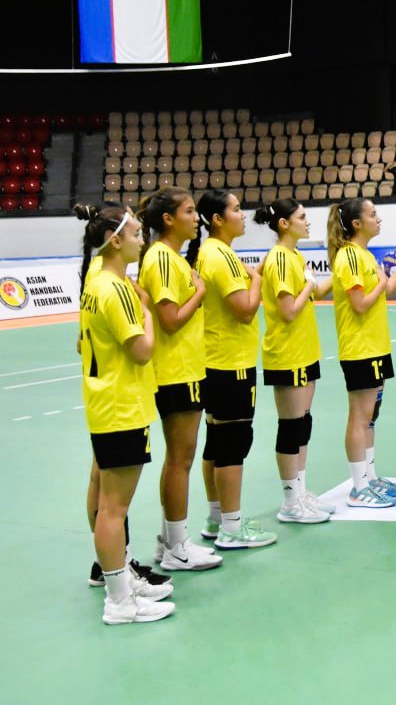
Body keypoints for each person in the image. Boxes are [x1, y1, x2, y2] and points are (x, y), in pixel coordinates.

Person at [76, 204, 176, 624]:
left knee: (105, 497)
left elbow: (81, 344)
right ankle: (119, 601)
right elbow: (142, 350)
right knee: (114, 508)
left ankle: (120, 579)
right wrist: (147, 312)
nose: (142, 239)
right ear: (114, 240)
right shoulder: (115, 290)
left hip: (106, 403)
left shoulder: (95, 280)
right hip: (121, 406)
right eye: (135, 233)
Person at [137, 188, 223, 571]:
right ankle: (177, 547)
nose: (195, 218)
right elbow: (170, 320)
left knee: (179, 459)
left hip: (186, 368)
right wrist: (200, 291)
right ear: (168, 219)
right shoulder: (161, 259)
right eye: (188, 211)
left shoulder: (169, 257)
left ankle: (170, 541)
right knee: (180, 459)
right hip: (176, 371)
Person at [193, 190, 276, 550]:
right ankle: (231, 526)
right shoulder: (220, 256)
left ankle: (217, 519)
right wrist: (257, 280)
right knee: (233, 445)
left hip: (214, 360)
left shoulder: (210, 252)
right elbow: (244, 309)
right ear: (217, 219)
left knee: (216, 443)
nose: (243, 215)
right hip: (230, 363)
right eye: (237, 209)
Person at [328, 197, 396, 508]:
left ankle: (370, 476)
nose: (379, 219)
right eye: (373, 214)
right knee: (359, 418)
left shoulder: (365, 255)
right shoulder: (349, 256)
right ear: (357, 223)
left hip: (376, 346)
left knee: (371, 417)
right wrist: (381, 281)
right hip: (359, 348)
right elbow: (360, 303)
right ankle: (358, 487)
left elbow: (387, 290)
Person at [254, 198, 333, 525]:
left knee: (303, 424)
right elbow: (288, 311)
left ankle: (300, 492)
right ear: (284, 224)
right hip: (287, 354)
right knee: (291, 427)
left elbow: (311, 294)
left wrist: (333, 274)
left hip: (305, 351)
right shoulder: (280, 259)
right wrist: (310, 284)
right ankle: (290, 501)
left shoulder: (294, 256)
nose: (307, 221)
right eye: (301, 217)